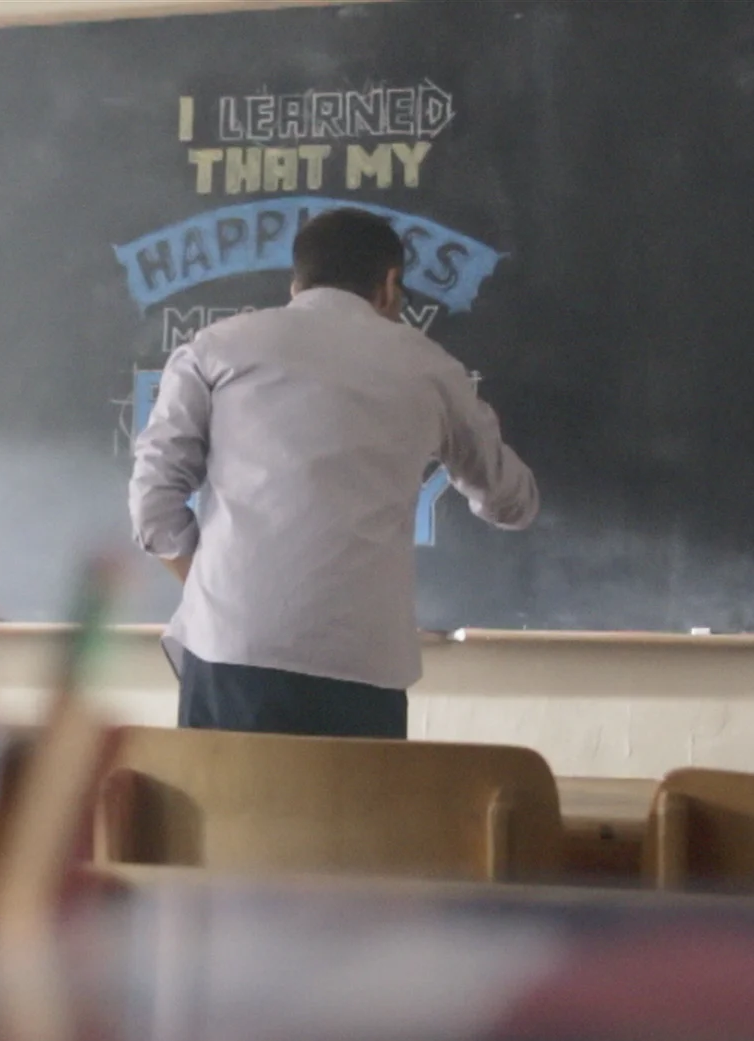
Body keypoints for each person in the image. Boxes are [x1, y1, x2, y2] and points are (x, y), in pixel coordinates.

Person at [128, 208, 538, 740]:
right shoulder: (431, 368)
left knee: (229, 797)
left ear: (296, 282)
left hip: (230, 650)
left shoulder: (216, 348)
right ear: (389, 284)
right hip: (363, 665)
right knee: (349, 798)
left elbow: (152, 507)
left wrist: (215, 584)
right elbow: (511, 502)